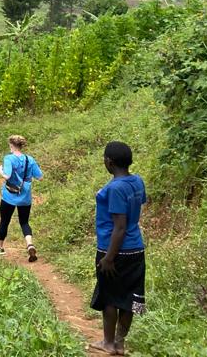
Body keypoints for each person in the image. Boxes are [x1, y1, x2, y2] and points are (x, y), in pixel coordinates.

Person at [91, 141, 147, 356]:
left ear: (109, 162)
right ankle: (120, 343)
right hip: (136, 249)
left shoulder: (115, 188)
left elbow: (120, 227)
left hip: (113, 250)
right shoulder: (137, 181)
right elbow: (138, 204)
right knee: (129, 298)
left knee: (110, 297)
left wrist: (108, 258)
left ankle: (108, 343)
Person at [0, 134, 43, 262]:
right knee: (24, 222)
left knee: (4, 221)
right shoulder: (30, 159)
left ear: (11, 145)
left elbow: (7, 176)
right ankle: (29, 244)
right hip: (25, 196)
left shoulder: (9, 159)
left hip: (9, 196)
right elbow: (40, 177)